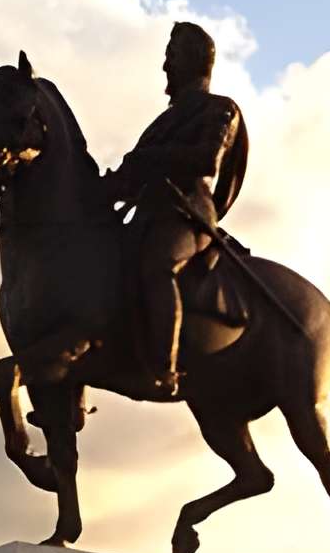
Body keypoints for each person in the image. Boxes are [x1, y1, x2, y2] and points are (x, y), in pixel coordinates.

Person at [102, 21, 247, 399]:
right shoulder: (161, 123)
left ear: (194, 62)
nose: (165, 67)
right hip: (149, 214)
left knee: (158, 264)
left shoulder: (221, 110)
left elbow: (207, 162)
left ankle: (165, 369)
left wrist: (149, 159)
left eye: (172, 58)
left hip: (189, 214)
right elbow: (131, 178)